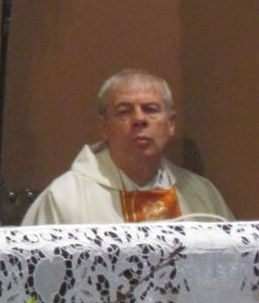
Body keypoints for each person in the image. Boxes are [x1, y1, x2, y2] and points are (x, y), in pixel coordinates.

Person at [22, 69, 233, 225]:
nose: (139, 119)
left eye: (150, 109)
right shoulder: (65, 198)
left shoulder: (202, 195)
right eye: (124, 112)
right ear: (104, 127)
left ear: (170, 124)